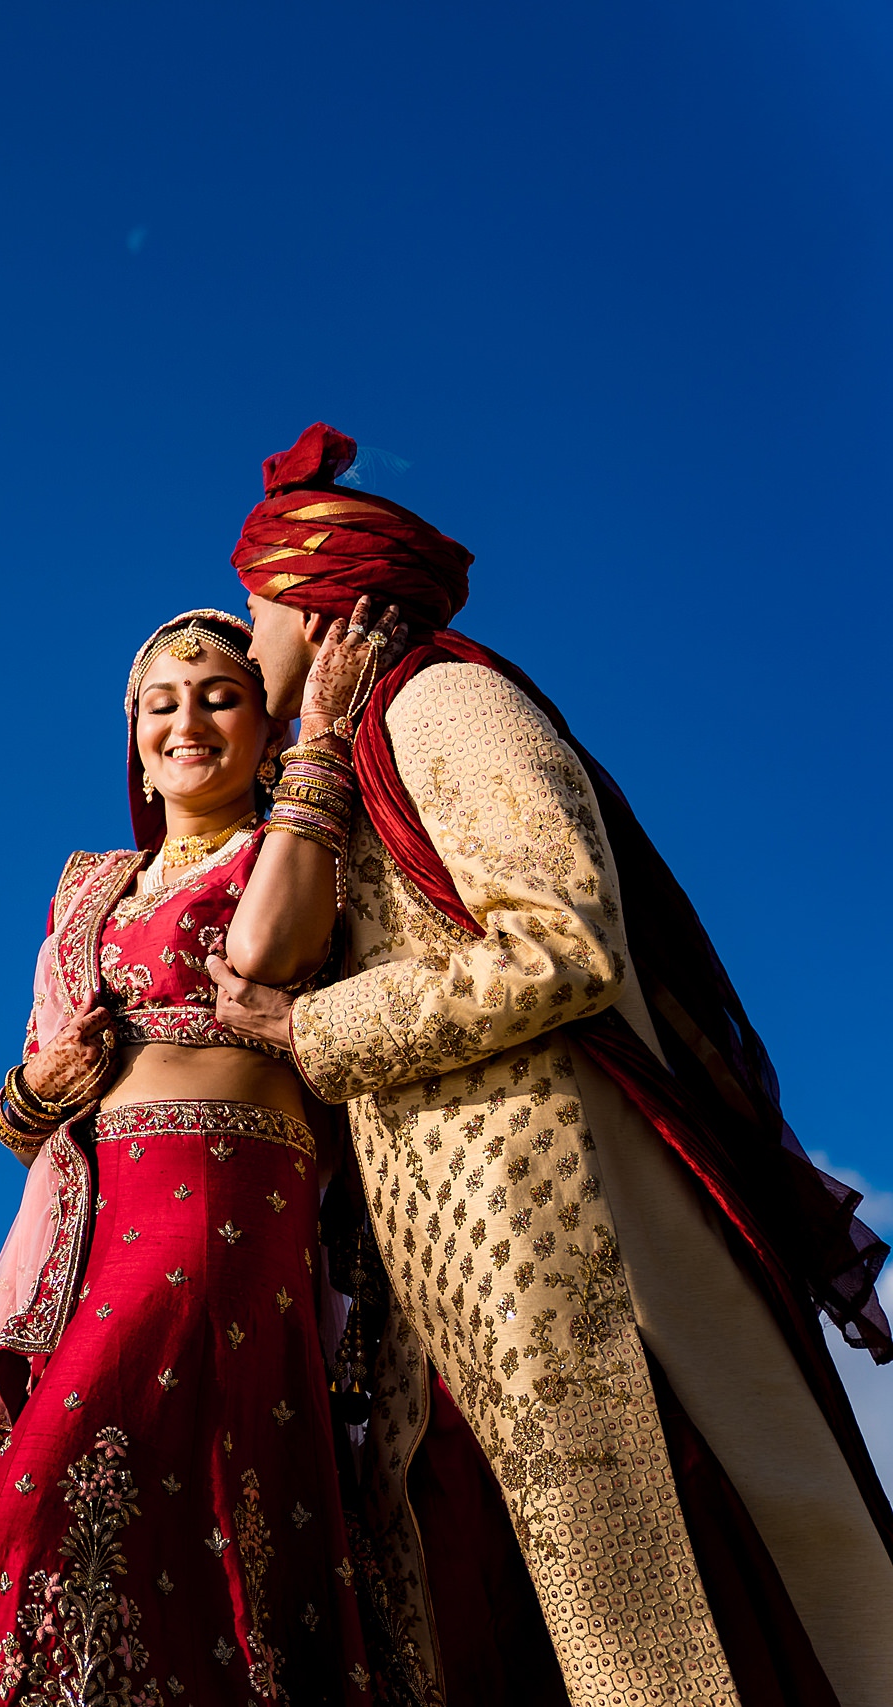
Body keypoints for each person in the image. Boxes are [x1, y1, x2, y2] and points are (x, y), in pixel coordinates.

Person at [206, 423, 893, 1707]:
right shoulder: (351, 757)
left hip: (566, 1238)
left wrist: (317, 1034)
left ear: (314, 598)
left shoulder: (446, 702)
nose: (247, 652)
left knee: (674, 1627)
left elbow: (561, 939)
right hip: (459, 1285)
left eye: (255, 617)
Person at [0, 604, 400, 1707]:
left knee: (48, 1509)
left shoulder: (301, 848)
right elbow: (19, 1114)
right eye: (160, 703)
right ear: (132, 732)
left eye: (221, 695)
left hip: (223, 1197)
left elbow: (269, 952)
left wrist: (320, 740)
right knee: (133, 1526)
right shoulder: (90, 886)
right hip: (96, 1225)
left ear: (264, 720)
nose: (188, 721)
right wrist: (37, 1088)